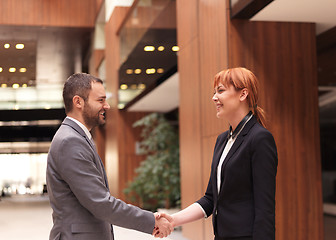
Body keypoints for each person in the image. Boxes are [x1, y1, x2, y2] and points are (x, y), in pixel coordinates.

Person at [46, 73, 172, 240]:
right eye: (100, 100)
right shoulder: (70, 141)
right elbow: (100, 203)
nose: (107, 106)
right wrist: (151, 221)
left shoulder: (77, 137)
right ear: (78, 102)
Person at [159, 67, 278, 240]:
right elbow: (210, 199)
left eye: (220, 91)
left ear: (243, 94)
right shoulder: (222, 140)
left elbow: (265, 208)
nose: (214, 98)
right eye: (214, 92)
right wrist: (173, 220)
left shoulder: (260, 138)